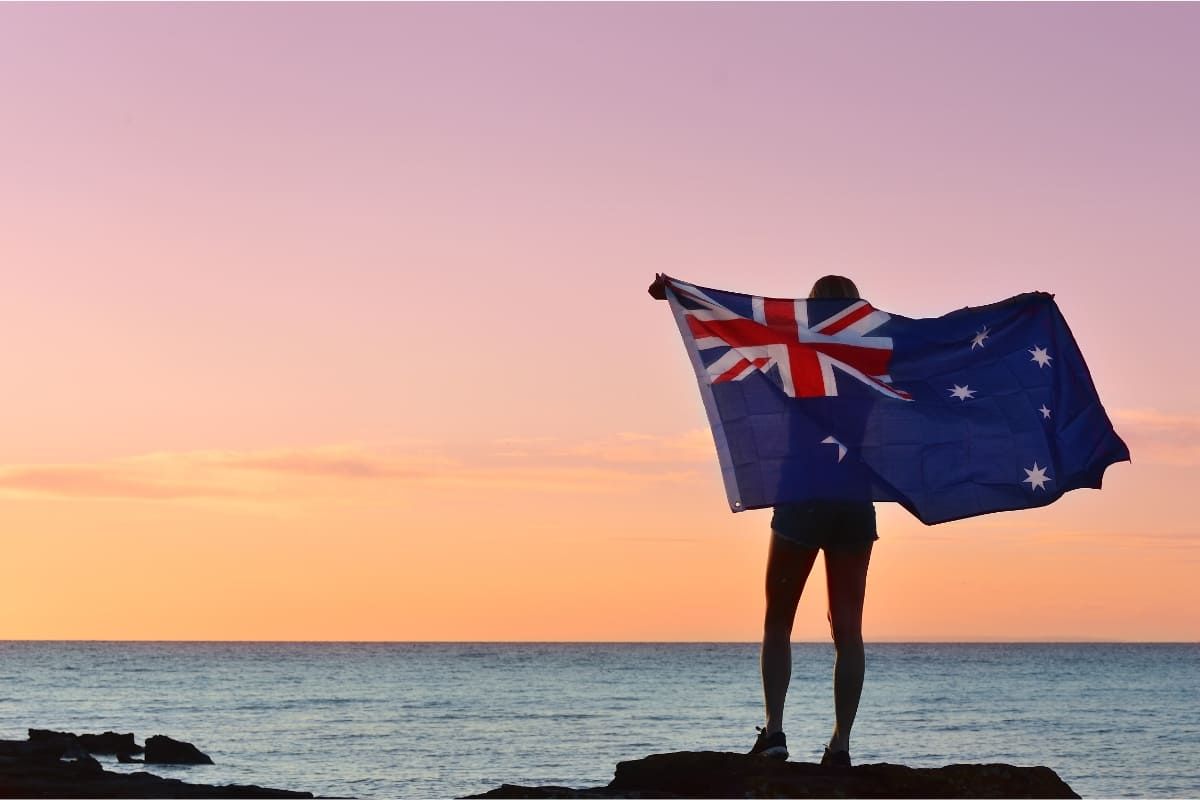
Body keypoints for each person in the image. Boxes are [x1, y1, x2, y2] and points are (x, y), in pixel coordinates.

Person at [648, 273, 874, 769]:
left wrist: (683, 298)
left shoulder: (793, 351)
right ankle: (840, 747)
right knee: (849, 632)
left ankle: (774, 733)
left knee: (778, 620)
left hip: (802, 496)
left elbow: (736, 330)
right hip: (854, 499)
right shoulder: (876, 360)